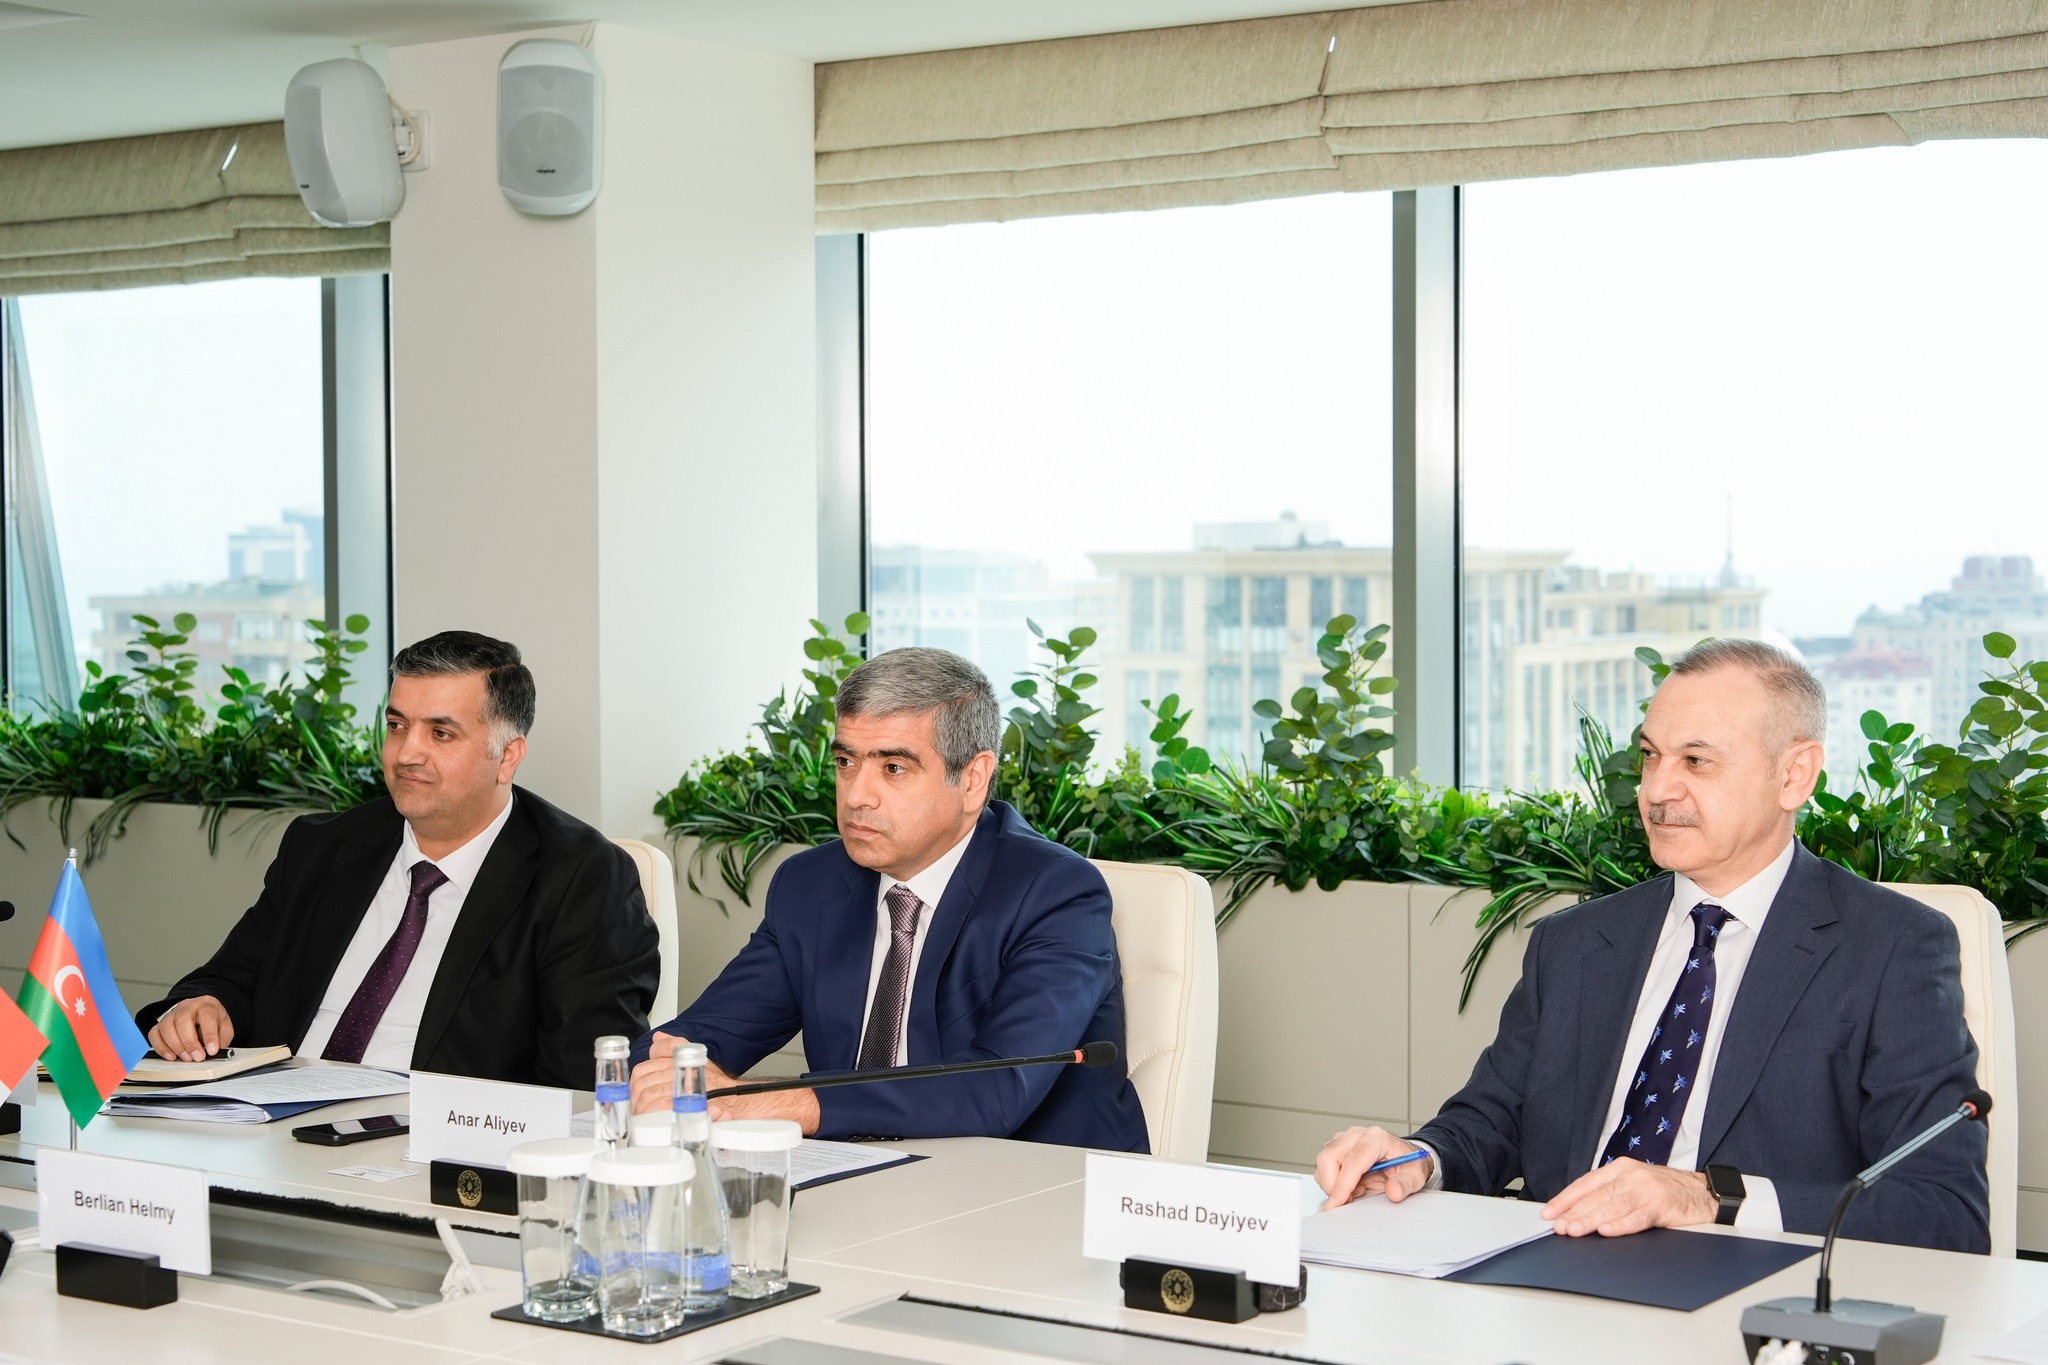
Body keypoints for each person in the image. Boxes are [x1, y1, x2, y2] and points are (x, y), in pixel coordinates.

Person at [1315, 638, 1989, 1253]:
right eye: (1649, 755)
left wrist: (1709, 1197)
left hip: (1745, 1298)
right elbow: (1490, 1124)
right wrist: (1417, 1156)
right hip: (1553, 1282)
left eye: (1696, 760)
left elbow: (1944, 1209)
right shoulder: (1573, 943)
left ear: (1794, 775)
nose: (1657, 790)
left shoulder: (1892, 947)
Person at [629, 647, 1148, 1150]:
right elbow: (698, 1036)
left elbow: (998, 1088)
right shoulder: (811, 885)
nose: (856, 795)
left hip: (1042, 1183)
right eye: (846, 761)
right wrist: (665, 1073)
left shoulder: (1055, 892)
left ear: (973, 780)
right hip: (861, 1171)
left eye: (893, 768)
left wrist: (782, 1101)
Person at [137, 631, 659, 1091]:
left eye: (441, 733)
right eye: (396, 725)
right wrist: (203, 1006)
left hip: (436, 1146)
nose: (406, 753)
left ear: (507, 756)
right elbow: (229, 978)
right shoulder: (322, 847)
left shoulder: (583, 878)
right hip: (270, 1126)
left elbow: (584, 1080)